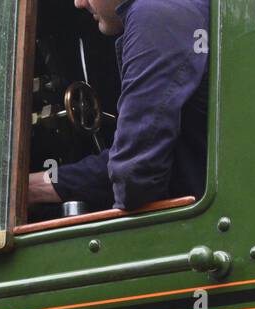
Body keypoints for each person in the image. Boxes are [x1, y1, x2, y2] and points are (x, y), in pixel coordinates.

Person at [28, 0, 210, 212]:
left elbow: (134, 172)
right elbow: (129, 160)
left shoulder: (154, 12)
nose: (79, 3)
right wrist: (32, 187)